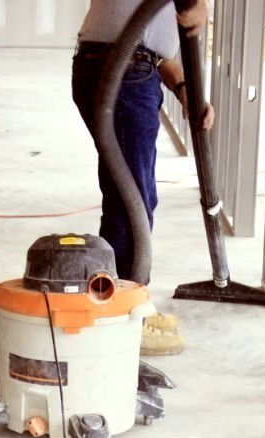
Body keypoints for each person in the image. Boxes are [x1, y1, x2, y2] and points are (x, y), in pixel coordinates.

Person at [72, 0, 214, 355]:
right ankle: (120, 317)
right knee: (130, 203)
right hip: (123, 70)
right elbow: (136, 39)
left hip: (120, 65)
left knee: (129, 196)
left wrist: (183, 88)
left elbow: (146, 37)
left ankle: (119, 302)